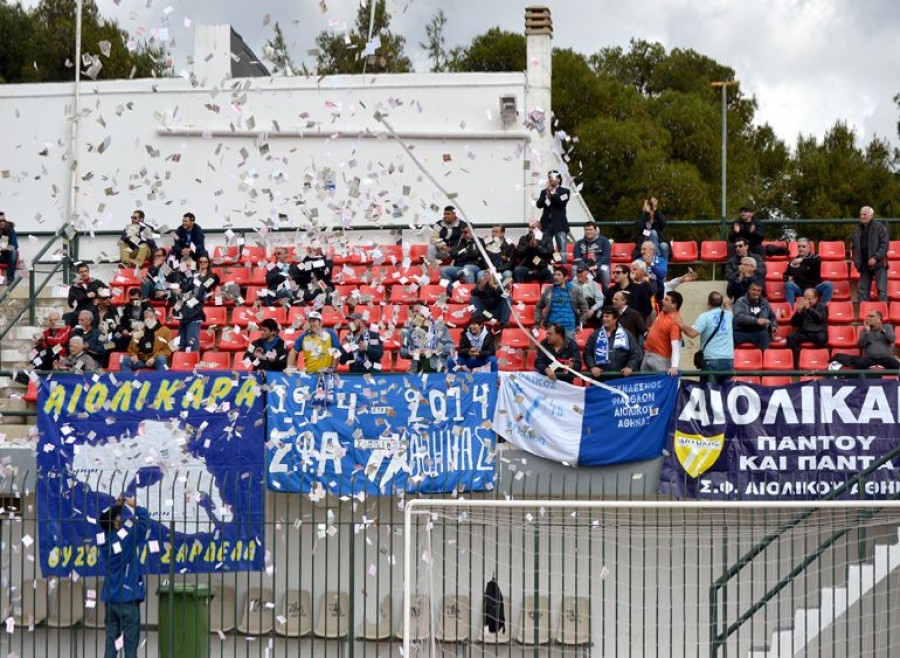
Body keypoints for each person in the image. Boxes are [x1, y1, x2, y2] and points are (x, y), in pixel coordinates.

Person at [99, 495, 149, 658]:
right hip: (128, 599)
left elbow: (107, 521)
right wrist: (136, 506)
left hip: (110, 600)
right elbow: (143, 524)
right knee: (130, 646)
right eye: (118, 517)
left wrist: (117, 507)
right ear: (115, 523)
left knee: (111, 644)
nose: (121, 518)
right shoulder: (126, 540)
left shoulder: (103, 542)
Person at [677, 292, 734, 384]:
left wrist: (681, 325)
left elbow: (692, 333)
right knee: (726, 392)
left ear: (708, 303)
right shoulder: (728, 315)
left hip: (711, 361)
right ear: (721, 303)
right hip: (728, 361)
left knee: (710, 391)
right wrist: (726, 303)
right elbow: (730, 309)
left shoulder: (705, 316)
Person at [830, 310, 900, 375]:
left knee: (896, 365)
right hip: (870, 358)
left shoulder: (887, 327)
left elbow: (891, 339)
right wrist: (867, 332)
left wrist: (882, 329)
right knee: (859, 364)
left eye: (871, 316)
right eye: (868, 316)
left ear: (879, 318)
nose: (868, 318)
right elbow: (860, 345)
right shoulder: (865, 330)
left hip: (885, 358)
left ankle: (891, 383)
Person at [583, 307, 642, 379]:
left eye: (607, 317)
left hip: (621, 378)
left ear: (615, 319)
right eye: (603, 317)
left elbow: (636, 353)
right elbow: (587, 353)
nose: (604, 319)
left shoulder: (627, 334)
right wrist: (592, 367)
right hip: (600, 378)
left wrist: (630, 367)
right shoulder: (595, 335)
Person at [400, 307, 455, 374]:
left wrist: (434, 351)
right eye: (414, 311)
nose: (415, 314)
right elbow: (403, 352)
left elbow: (450, 347)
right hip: (416, 371)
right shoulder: (409, 330)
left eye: (418, 311)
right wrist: (412, 352)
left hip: (437, 370)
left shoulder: (441, 328)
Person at [534, 267, 587, 336]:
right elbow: (538, 306)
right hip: (552, 327)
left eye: (559, 275)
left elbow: (584, 307)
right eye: (554, 275)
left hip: (569, 327)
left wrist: (581, 323)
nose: (556, 277)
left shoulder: (574, 290)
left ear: (565, 277)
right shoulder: (548, 290)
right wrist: (538, 321)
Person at [640, 291, 684, 376]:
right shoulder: (662, 313)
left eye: (666, 300)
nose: (663, 301)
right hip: (648, 355)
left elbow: (676, 345)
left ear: (674, 305)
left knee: (660, 383)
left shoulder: (675, 322)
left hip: (660, 360)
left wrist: (674, 366)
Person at [851, 206, 889, 302]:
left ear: (871, 215)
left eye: (865, 214)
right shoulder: (858, 229)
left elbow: (885, 245)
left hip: (879, 264)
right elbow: (854, 246)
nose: (862, 216)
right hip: (864, 264)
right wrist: (856, 261)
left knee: (882, 291)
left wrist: (875, 257)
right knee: (862, 291)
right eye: (861, 214)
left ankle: (883, 310)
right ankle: (863, 311)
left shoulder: (879, 227)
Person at [170, 258, 206, 352]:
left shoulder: (197, 278)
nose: (187, 268)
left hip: (194, 316)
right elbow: (176, 300)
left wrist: (181, 294)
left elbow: (196, 296)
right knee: (181, 345)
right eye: (184, 266)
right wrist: (175, 295)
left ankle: (194, 361)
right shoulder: (179, 279)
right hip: (184, 317)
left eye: (188, 265)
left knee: (191, 345)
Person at [786, 288, 828, 367]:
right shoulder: (802, 307)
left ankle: (819, 361)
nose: (807, 301)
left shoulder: (823, 306)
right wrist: (798, 312)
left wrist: (809, 308)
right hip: (804, 332)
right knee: (790, 338)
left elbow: (821, 318)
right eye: (805, 298)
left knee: (822, 338)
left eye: (809, 299)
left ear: (816, 298)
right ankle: (795, 363)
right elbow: (793, 323)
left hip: (818, 332)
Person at [784, 237, 833, 305]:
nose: (801, 248)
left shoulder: (815, 258)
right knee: (788, 285)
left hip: (814, 289)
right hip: (800, 290)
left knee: (828, 284)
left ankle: (823, 308)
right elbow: (785, 275)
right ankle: (790, 310)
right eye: (799, 246)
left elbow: (816, 259)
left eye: (803, 246)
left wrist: (802, 259)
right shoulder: (793, 262)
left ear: (809, 248)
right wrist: (788, 279)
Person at [536, 170, 570, 260]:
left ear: (559, 179)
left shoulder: (565, 191)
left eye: (552, 177)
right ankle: (547, 264)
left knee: (562, 248)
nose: (550, 179)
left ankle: (562, 266)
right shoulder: (544, 192)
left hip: (560, 225)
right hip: (546, 224)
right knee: (545, 247)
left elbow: (561, 203)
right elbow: (539, 205)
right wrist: (546, 195)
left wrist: (552, 193)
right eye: (549, 177)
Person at [732, 282, 778, 350]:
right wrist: (756, 321)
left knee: (765, 335)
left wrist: (773, 326)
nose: (756, 292)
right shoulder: (741, 301)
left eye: (758, 290)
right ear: (749, 290)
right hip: (741, 331)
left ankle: (765, 356)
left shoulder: (764, 302)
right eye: (754, 290)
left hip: (758, 332)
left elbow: (772, 317)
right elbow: (738, 317)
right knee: (730, 336)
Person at [441, 223, 487, 288]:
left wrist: (471, 240)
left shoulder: (479, 241)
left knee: (466, 269)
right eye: (462, 232)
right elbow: (453, 253)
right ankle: (450, 290)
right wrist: (464, 252)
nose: (463, 234)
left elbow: (475, 253)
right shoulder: (461, 241)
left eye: (465, 232)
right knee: (443, 270)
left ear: (472, 232)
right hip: (460, 267)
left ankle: (471, 291)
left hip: (474, 267)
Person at [573, 221, 612, 289]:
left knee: (605, 268)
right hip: (584, 267)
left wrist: (596, 265)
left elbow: (606, 256)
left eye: (590, 229)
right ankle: (575, 291)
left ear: (595, 230)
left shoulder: (604, 240)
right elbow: (577, 258)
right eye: (586, 230)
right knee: (574, 268)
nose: (588, 232)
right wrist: (585, 267)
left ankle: (606, 292)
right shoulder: (579, 243)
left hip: (599, 266)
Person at [0, 211, 19, 276]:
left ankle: (10, 278)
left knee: (12, 251)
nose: (2, 223)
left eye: (3, 220)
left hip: (8, 256)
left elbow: (14, 246)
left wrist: (3, 248)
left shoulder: (9, 230)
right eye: (0, 221)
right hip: (2, 256)